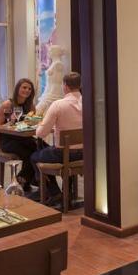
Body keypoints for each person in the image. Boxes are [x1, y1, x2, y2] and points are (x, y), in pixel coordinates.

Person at [31, 72, 83, 204]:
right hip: (85, 153)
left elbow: (41, 133)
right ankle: (68, 192)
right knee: (52, 150)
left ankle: (54, 192)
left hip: (63, 154)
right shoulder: (88, 102)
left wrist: (40, 125)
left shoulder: (58, 105)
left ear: (65, 86)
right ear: (80, 85)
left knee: (35, 157)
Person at [0, 78, 38, 191]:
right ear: (18, 88)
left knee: (40, 149)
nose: (27, 90)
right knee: (30, 154)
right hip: (8, 141)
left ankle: (23, 179)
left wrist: (33, 122)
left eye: (29, 89)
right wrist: (10, 123)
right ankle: (24, 180)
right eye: (24, 87)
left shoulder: (31, 106)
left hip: (25, 138)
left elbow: (32, 123)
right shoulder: (7, 104)